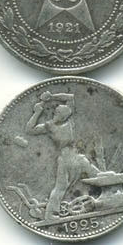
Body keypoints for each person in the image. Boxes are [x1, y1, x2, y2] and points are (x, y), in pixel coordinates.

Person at [26, 91, 100, 220]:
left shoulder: (69, 121)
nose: (58, 114)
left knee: (97, 175)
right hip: (65, 160)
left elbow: (71, 97)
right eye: (57, 112)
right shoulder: (49, 126)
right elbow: (29, 130)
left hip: (77, 157)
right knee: (61, 187)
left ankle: (110, 198)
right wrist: (37, 113)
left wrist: (51, 97)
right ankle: (50, 214)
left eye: (61, 112)